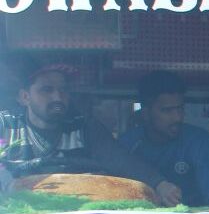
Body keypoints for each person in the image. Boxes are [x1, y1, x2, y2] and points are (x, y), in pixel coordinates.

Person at [0, 62, 174, 204]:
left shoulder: (85, 127)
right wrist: (8, 184)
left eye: (63, 90)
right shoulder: (5, 124)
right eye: (47, 90)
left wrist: (159, 183)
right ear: (24, 97)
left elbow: (120, 159)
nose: (58, 97)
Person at [120, 71, 209, 208]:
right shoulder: (127, 143)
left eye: (180, 109)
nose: (177, 117)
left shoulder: (198, 141)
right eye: (167, 111)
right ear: (146, 113)